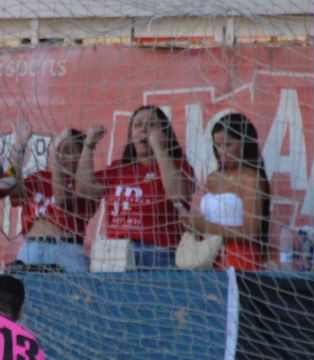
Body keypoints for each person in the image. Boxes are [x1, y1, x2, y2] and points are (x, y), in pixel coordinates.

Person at [76, 106, 194, 269]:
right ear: (131, 135)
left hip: (160, 253)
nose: (144, 129)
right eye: (138, 125)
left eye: (152, 125)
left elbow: (179, 195)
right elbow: (84, 190)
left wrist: (159, 149)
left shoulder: (178, 166)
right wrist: (88, 146)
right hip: (116, 252)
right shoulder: (119, 168)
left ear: (164, 133)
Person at [180, 112, 270, 271]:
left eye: (228, 144)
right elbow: (207, 219)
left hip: (240, 258)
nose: (222, 151)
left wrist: (206, 226)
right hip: (208, 256)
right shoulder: (213, 177)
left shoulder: (251, 179)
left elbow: (251, 231)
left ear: (245, 143)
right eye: (218, 145)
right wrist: (191, 222)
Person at [4, 119, 96, 272]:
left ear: (82, 156)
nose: (61, 155)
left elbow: (62, 201)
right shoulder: (39, 177)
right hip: (32, 247)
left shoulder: (85, 184)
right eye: (59, 149)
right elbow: (14, 193)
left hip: (68, 249)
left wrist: (55, 159)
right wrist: (20, 145)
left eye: (68, 151)